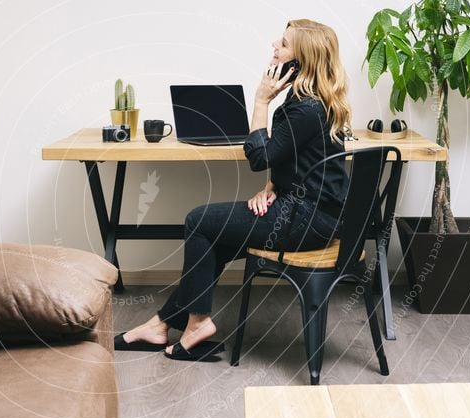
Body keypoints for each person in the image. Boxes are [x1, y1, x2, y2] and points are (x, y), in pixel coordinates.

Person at [114, 18, 352, 360]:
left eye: (283, 43)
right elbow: (302, 160)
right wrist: (273, 186)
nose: (274, 45)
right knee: (212, 238)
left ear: (303, 60)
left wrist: (259, 102)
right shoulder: (314, 101)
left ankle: (195, 324)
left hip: (307, 222)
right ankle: (162, 323)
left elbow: (260, 156)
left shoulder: (304, 108)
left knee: (199, 220)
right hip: (312, 214)